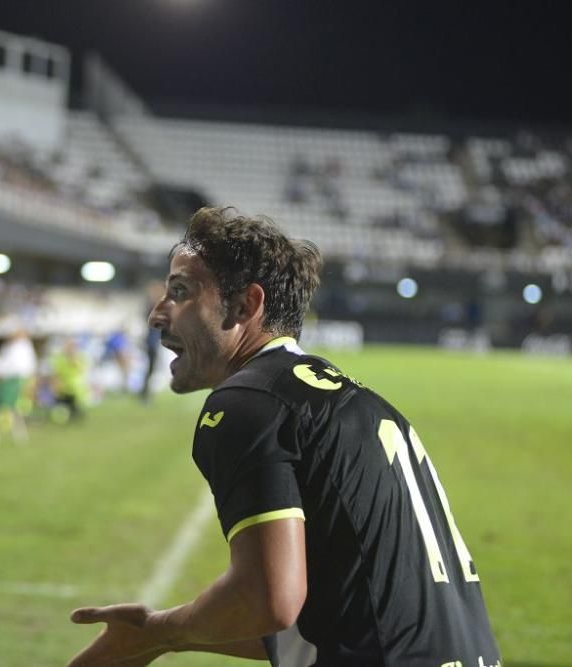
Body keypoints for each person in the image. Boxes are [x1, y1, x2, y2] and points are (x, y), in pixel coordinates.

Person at [68, 207, 502, 667]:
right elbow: (324, 627)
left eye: (180, 292)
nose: (158, 313)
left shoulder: (249, 402)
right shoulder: (356, 402)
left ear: (244, 306)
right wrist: (155, 636)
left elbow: (269, 601)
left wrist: (155, 631)